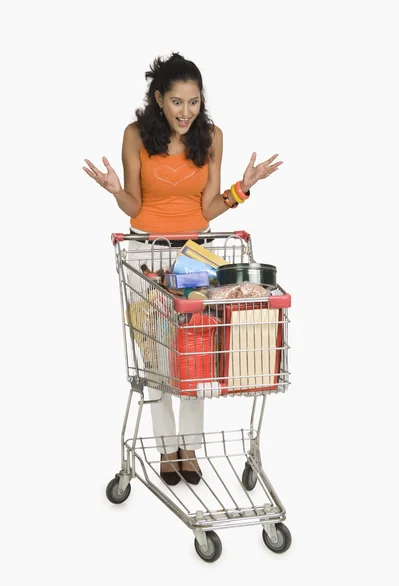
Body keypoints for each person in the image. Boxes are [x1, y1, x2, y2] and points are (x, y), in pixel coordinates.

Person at [83, 52, 282, 486]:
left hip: (197, 255)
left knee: (195, 355)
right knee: (155, 356)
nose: (186, 112)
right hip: (145, 254)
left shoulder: (211, 136)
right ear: (159, 98)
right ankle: (164, 449)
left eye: (193, 102)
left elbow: (209, 206)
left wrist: (243, 188)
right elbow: (134, 205)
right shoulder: (135, 135)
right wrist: (116, 190)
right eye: (176, 102)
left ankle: (188, 448)